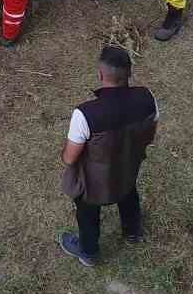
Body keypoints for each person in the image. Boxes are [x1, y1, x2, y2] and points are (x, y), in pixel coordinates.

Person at [58, 44, 157, 266]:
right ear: (129, 73)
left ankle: (89, 251)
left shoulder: (84, 114)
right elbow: (149, 135)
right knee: (129, 192)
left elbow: (70, 158)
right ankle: (132, 232)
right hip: (128, 168)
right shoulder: (148, 98)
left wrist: (63, 156)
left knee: (87, 212)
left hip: (94, 182)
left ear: (100, 74)